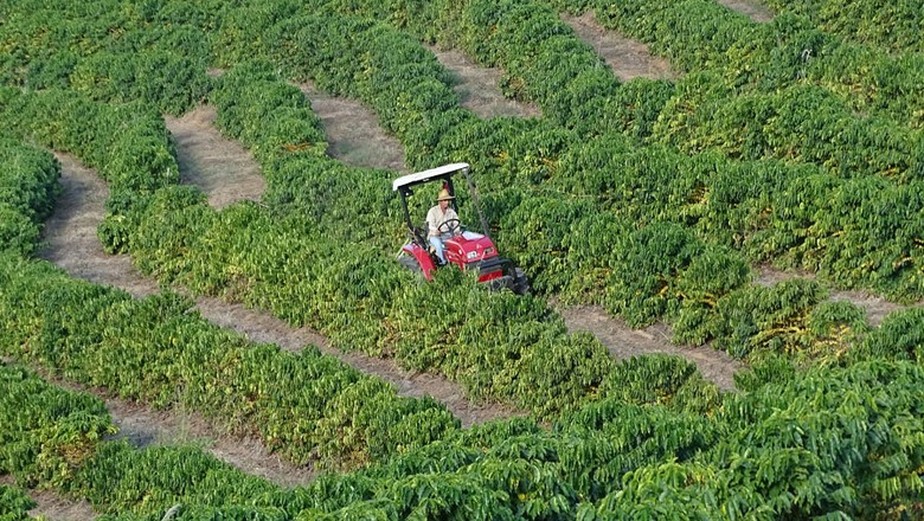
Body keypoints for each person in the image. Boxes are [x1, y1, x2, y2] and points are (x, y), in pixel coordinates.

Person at [426, 188, 461, 264]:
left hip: (449, 234)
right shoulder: (433, 212)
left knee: (460, 241)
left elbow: (456, 222)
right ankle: (442, 262)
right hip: (435, 236)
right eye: (445, 200)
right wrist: (436, 231)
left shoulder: (451, 212)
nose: (447, 202)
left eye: (448, 200)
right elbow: (431, 226)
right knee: (438, 244)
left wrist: (457, 231)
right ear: (440, 201)